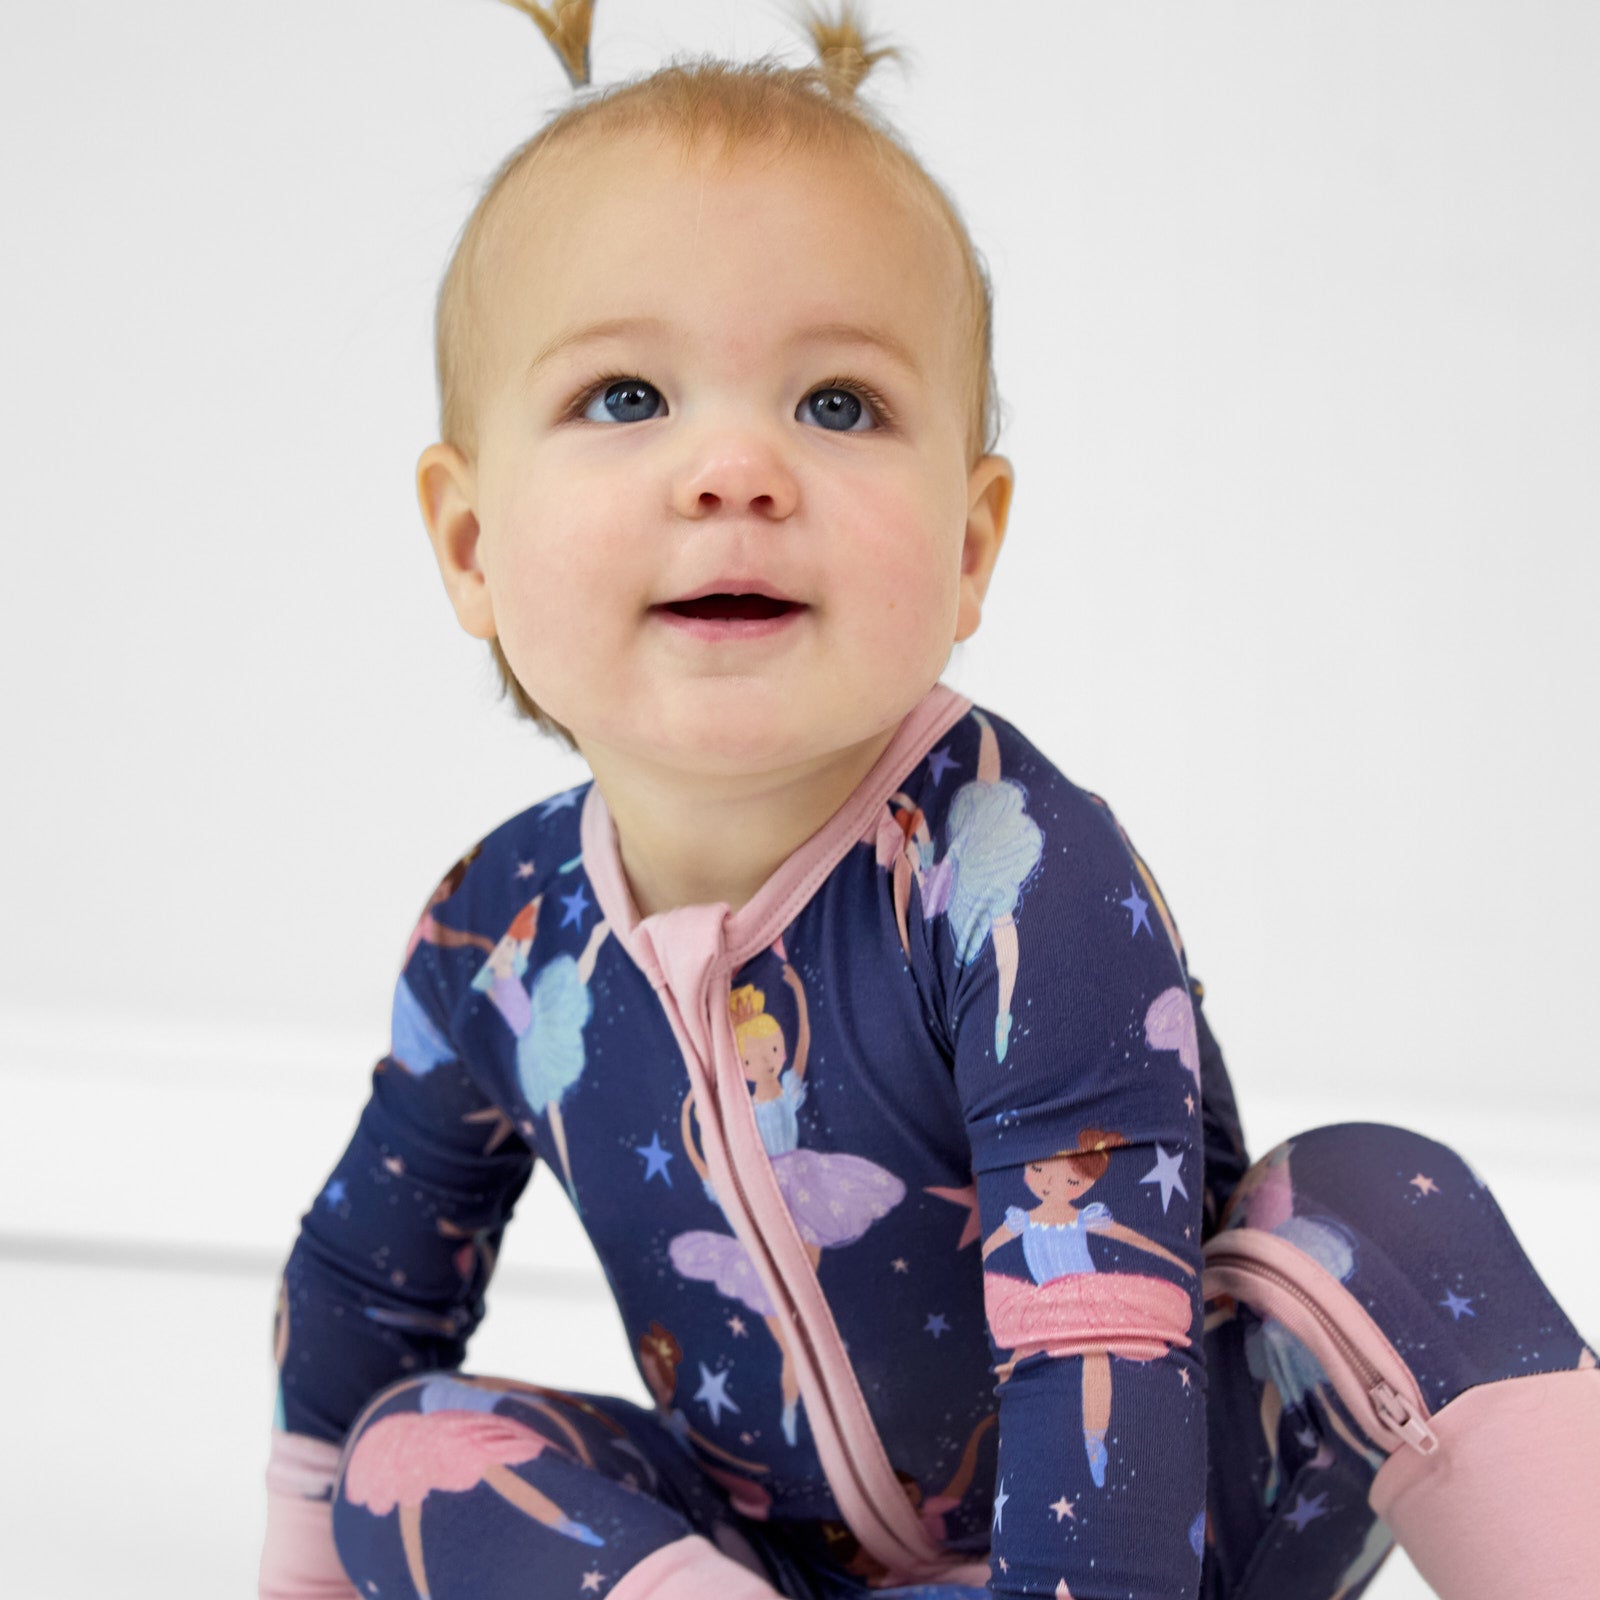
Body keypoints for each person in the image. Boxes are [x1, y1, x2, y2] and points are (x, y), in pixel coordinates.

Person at [258, 7, 1599, 1599]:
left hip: (1167, 1521)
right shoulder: (498, 935)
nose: (736, 467)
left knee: (1383, 1198)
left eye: (839, 405)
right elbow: (369, 1280)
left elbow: (1099, 1317)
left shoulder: (1011, 877)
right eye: (627, 397)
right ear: (470, 544)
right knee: (412, 1450)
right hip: (779, 1554)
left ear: (970, 547)